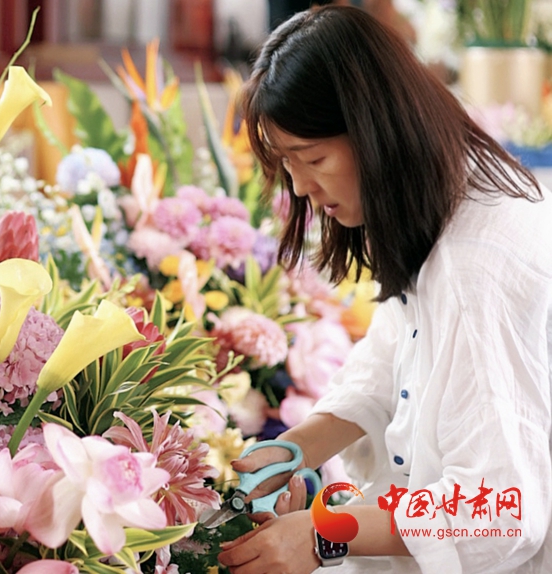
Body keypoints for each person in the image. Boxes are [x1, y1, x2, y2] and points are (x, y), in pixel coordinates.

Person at [218, 6, 552, 574]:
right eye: (287, 163)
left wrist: (324, 535)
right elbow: (391, 360)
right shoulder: (443, 198)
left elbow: (502, 512)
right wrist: (293, 451)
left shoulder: (474, 264)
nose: (300, 185)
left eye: (313, 158)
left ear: (374, 133)